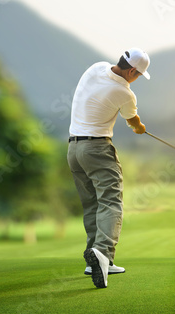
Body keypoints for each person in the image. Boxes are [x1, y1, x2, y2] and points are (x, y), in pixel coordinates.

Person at [67, 48, 150, 288]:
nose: (136, 80)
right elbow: (132, 120)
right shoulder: (124, 92)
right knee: (111, 201)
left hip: (73, 149)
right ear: (132, 71)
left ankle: (94, 257)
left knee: (92, 203)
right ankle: (102, 254)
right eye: (138, 75)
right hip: (97, 149)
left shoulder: (96, 67)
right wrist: (139, 127)